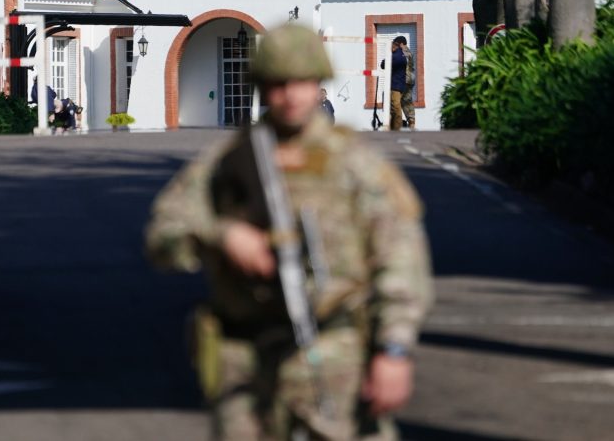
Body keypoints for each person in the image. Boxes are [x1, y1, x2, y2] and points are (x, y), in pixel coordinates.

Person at [146, 24, 433, 440]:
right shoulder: (230, 160)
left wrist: (394, 350)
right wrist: (221, 235)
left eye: (300, 81)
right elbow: (163, 234)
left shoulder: (353, 162)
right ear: (261, 85)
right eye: (276, 83)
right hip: (244, 360)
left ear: (318, 84)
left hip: (334, 352)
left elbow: (400, 259)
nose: (289, 95)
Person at [395, 37, 415, 130]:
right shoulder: (409, 52)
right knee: (407, 101)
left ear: (401, 44)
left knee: (395, 101)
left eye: (397, 44)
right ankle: (411, 121)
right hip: (410, 79)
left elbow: (398, 63)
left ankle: (396, 122)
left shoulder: (403, 52)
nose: (395, 46)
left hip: (404, 79)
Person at [389, 38, 407, 131]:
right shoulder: (405, 55)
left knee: (395, 109)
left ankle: (396, 130)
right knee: (393, 109)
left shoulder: (397, 55)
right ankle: (394, 128)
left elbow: (384, 64)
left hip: (395, 86)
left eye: (394, 44)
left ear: (399, 44)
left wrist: (390, 54)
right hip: (401, 86)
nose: (392, 46)